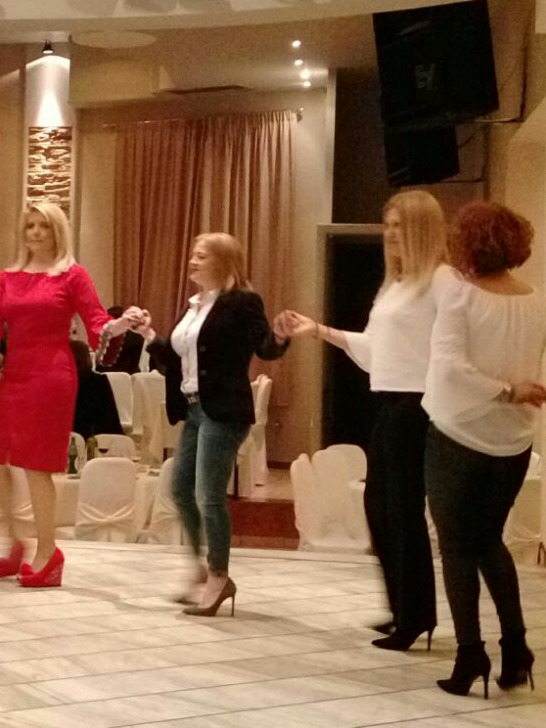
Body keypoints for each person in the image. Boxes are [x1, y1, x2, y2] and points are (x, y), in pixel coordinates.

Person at [279, 190, 447, 649]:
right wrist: (318, 330)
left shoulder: (440, 281)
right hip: (389, 402)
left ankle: (415, 616)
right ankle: (403, 610)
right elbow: (375, 349)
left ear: (421, 228)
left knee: (402, 511)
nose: (389, 234)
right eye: (386, 225)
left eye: (398, 225)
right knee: (380, 508)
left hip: (417, 404)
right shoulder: (395, 285)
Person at [421, 202, 545, 698]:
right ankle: (516, 648)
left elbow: (449, 365)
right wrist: (517, 392)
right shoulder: (536, 299)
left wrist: (504, 390)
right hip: (514, 441)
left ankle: (470, 653)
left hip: (458, 436)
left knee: (456, 547)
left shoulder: (458, 292)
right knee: (490, 541)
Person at [0, 202, 130, 586]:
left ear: (57, 231)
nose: (35, 232)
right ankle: (15, 539)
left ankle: (48, 552)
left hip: (52, 374)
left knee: (37, 465)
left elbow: (96, 321)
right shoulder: (9, 276)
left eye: (43, 225)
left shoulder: (72, 275)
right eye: (30, 225)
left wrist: (120, 325)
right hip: (14, 373)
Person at [136, 232, 289, 616]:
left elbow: (265, 347)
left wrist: (281, 336)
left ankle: (219, 577)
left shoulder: (242, 301)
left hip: (223, 411)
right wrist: (149, 334)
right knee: (180, 489)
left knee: (208, 495)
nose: (192, 261)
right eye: (193, 254)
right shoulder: (194, 306)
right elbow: (177, 359)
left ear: (222, 261)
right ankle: (201, 570)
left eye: (201, 255)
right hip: (193, 410)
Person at [70, 340, 123, 438]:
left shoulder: (62, 383)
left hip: (79, 436)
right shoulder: (100, 381)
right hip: (103, 437)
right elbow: (111, 421)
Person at [96, 305, 146, 375]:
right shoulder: (138, 336)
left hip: (106, 373)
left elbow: (100, 360)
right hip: (130, 374)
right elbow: (136, 361)